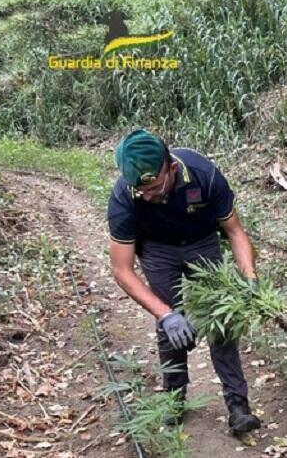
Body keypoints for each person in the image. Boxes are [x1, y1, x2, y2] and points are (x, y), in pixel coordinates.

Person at [106, 129, 261, 434]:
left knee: (222, 320)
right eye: (141, 191)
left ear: (171, 169)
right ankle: (175, 397)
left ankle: (238, 405)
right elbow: (122, 269)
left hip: (202, 241)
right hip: (157, 249)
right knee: (170, 326)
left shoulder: (203, 174)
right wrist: (165, 314)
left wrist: (249, 278)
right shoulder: (124, 194)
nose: (147, 195)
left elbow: (234, 231)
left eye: (153, 187)